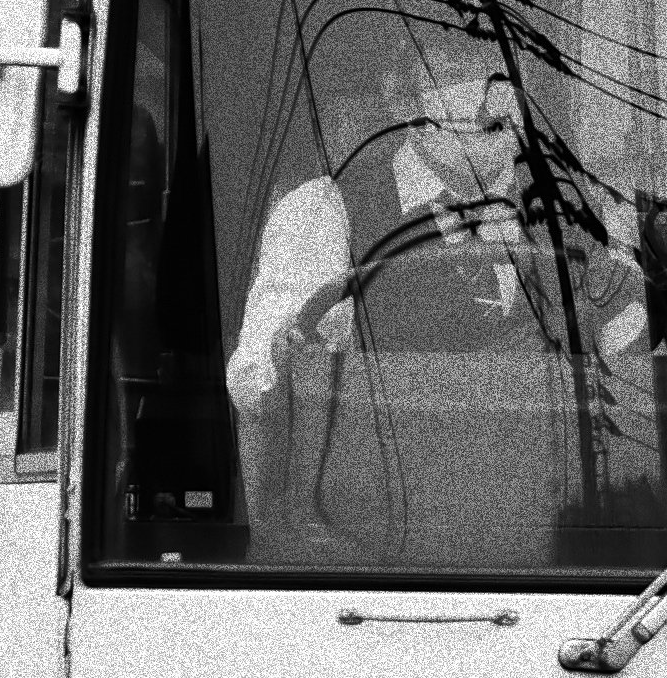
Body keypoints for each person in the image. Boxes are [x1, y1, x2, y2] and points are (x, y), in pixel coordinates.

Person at [223, 30, 644, 411]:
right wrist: (301, 350)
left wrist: (639, 314)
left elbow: (633, 348)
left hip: (547, 460)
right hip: (393, 460)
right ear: (405, 101)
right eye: (459, 72)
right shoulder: (325, 211)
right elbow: (254, 380)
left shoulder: (568, 211)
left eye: (505, 71)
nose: (492, 94)